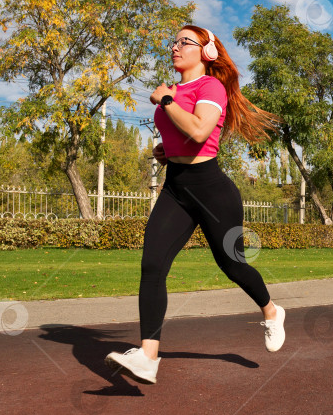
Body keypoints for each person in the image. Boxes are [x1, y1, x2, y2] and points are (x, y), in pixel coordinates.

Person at [105, 25, 285, 385]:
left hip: (212, 189)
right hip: (176, 189)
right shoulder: (171, 90)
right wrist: (166, 151)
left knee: (232, 264)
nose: (175, 47)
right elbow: (182, 136)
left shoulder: (210, 87)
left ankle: (271, 311)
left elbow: (201, 131)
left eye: (184, 42)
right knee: (152, 264)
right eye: (173, 41)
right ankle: (148, 357)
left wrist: (167, 103)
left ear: (207, 52)